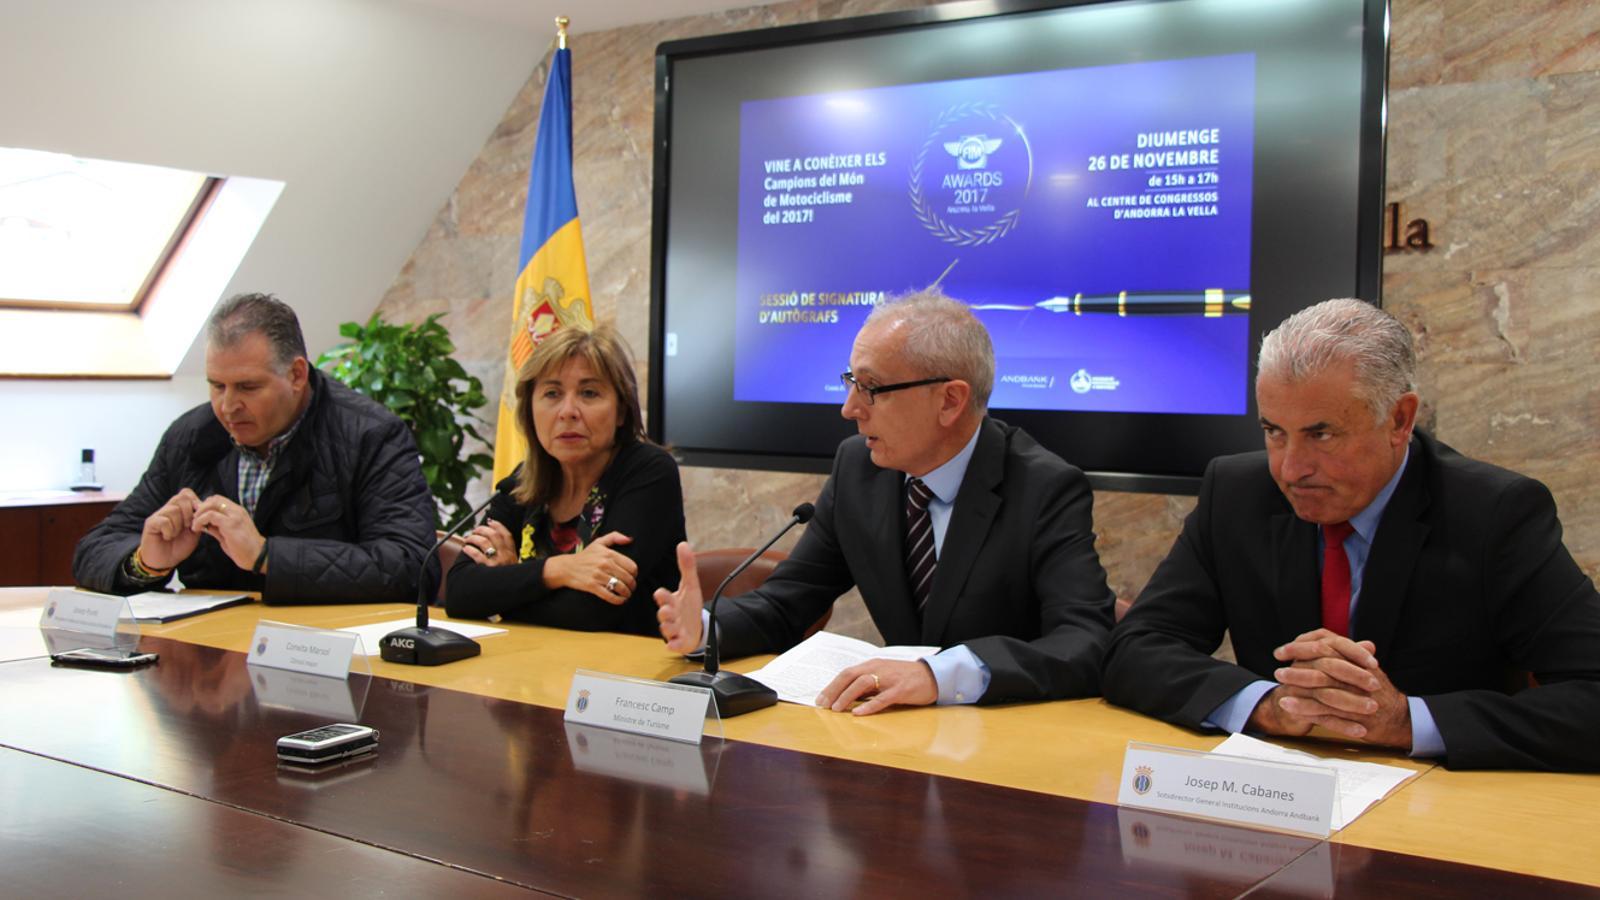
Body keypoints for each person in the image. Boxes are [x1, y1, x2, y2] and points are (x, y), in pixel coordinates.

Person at [1103, 298, 1600, 771]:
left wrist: (1404, 722)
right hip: (1271, 797)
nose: (1291, 469)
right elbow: (1137, 648)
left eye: (1321, 434)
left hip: (1440, 811)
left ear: (1399, 420)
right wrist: (1266, 706)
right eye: (1274, 431)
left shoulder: (1495, 513)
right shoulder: (1236, 494)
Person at [655, 288, 1115, 714]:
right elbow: (787, 602)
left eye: (871, 388)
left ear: (950, 401)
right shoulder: (860, 468)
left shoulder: (1044, 488)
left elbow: (1086, 642)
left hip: (1008, 742)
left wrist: (940, 677)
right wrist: (704, 626)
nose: (849, 408)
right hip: (894, 742)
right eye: (850, 382)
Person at [72, 293, 436, 603]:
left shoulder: (370, 434)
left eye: (247, 387)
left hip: (319, 656)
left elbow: (411, 564)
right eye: (217, 386)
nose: (228, 406)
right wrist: (145, 563)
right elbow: (95, 547)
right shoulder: (191, 435)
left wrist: (266, 556)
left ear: (296, 375)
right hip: (211, 661)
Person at [443, 325, 685, 635]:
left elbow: (592, 611)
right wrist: (561, 569)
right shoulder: (522, 483)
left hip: (627, 676)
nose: (568, 411)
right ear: (530, 410)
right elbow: (460, 592)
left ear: (621, 410)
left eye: (589, 393)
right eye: (552, 394)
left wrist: (507, 584)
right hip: (534, 669)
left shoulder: (649, 472)